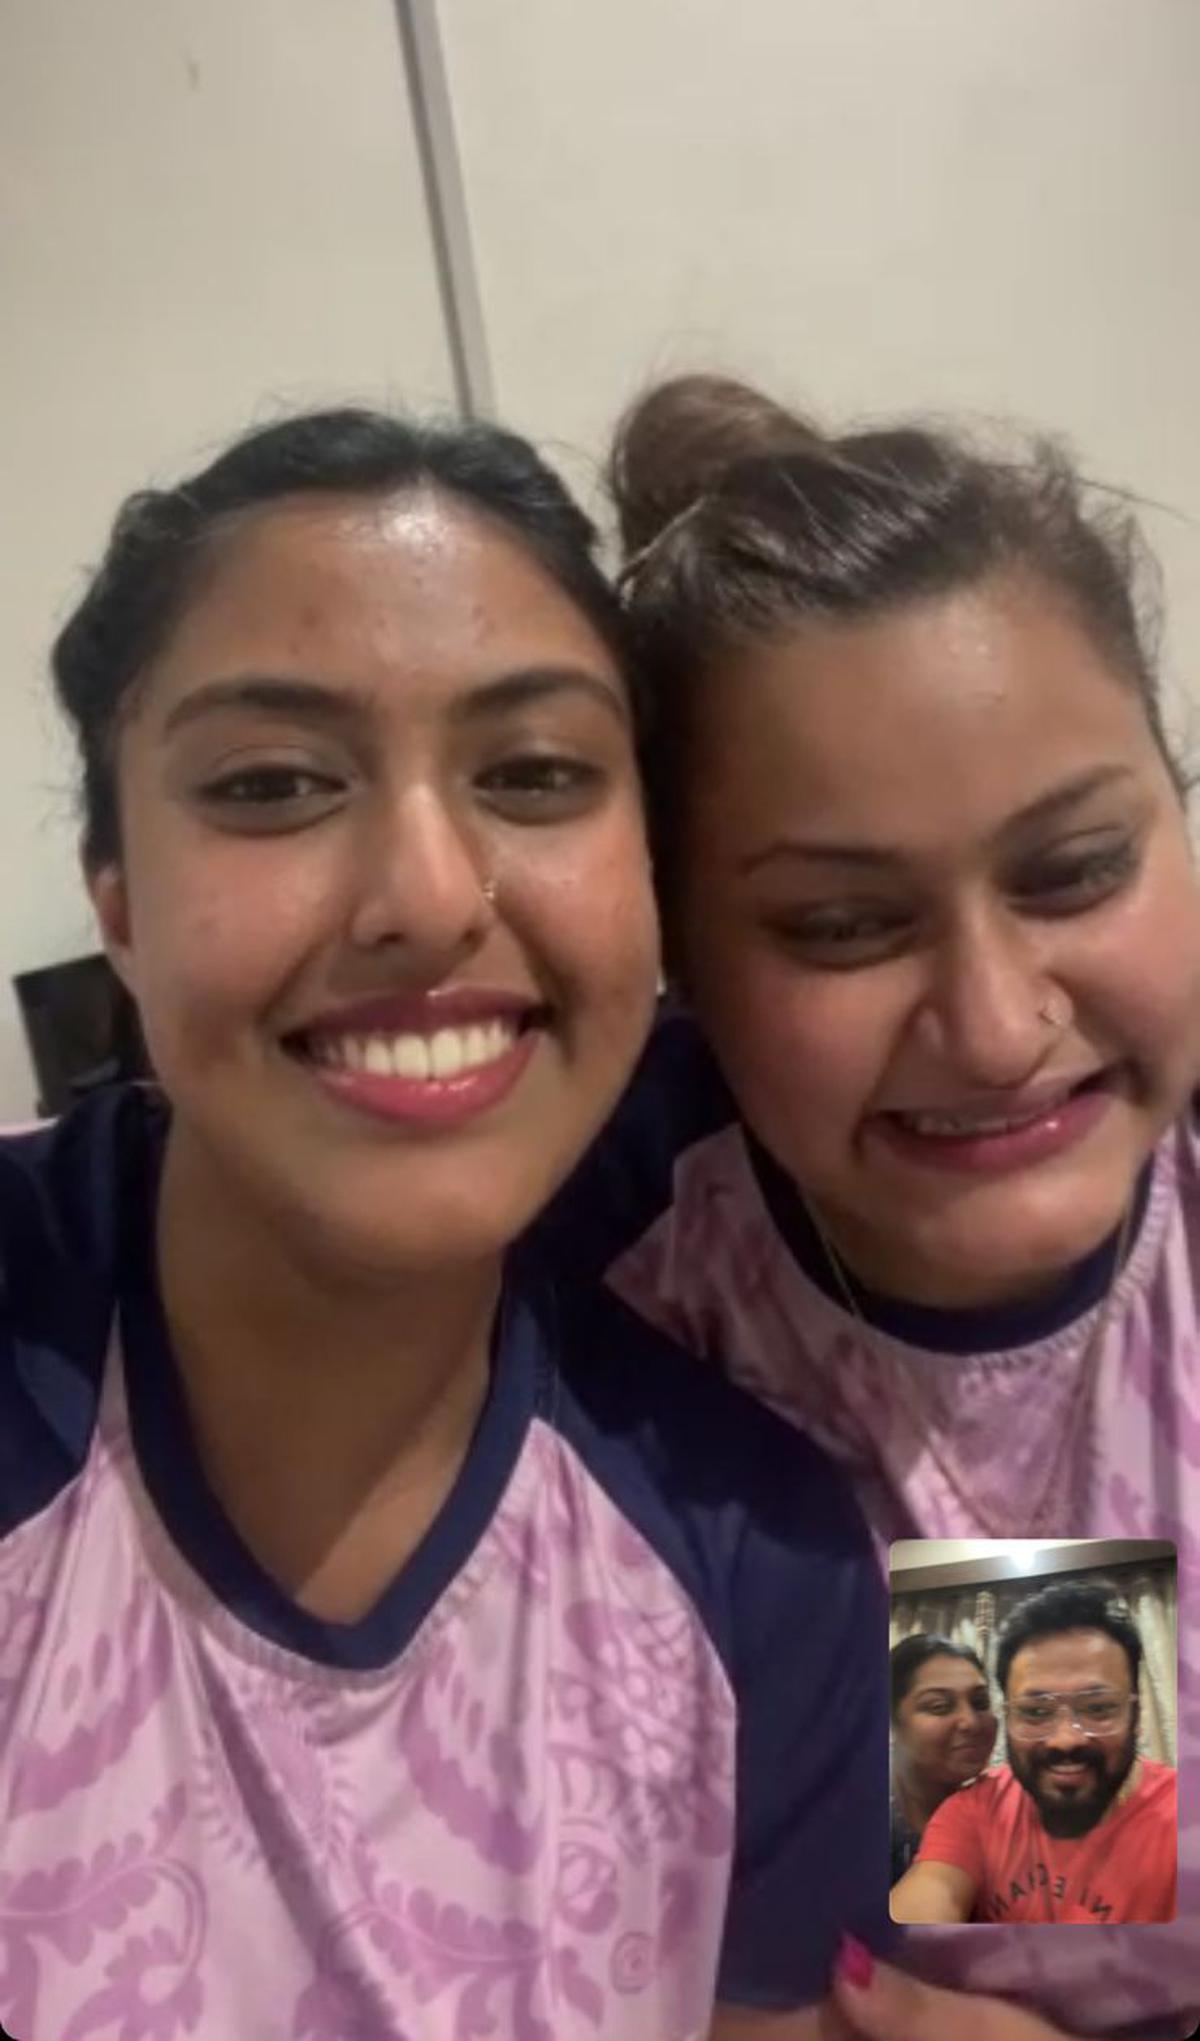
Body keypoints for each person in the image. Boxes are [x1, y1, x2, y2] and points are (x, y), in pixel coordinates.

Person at [0, 404, 896, 2041]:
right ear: (114, 903)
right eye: (272, 782)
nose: (425, 890)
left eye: (536, 773)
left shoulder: (766, 1550)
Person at [533, 371, 1200, 2039]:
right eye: (840, 927)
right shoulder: (594, 1293)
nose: (992, 1023)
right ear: (677, 948)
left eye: (1073, 870)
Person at [892, 1580, 1176, 1927]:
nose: (1066, 1739)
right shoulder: (973, 1809)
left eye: (1099, 1708)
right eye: (1035, 1712)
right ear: (1010, 1716)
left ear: (1136, 1714)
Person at [889, 1635, 997, 1883]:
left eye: (980, 1703)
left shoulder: (996, 1807)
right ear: (891, 1721)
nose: (970, 1722)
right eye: (939, 1706)